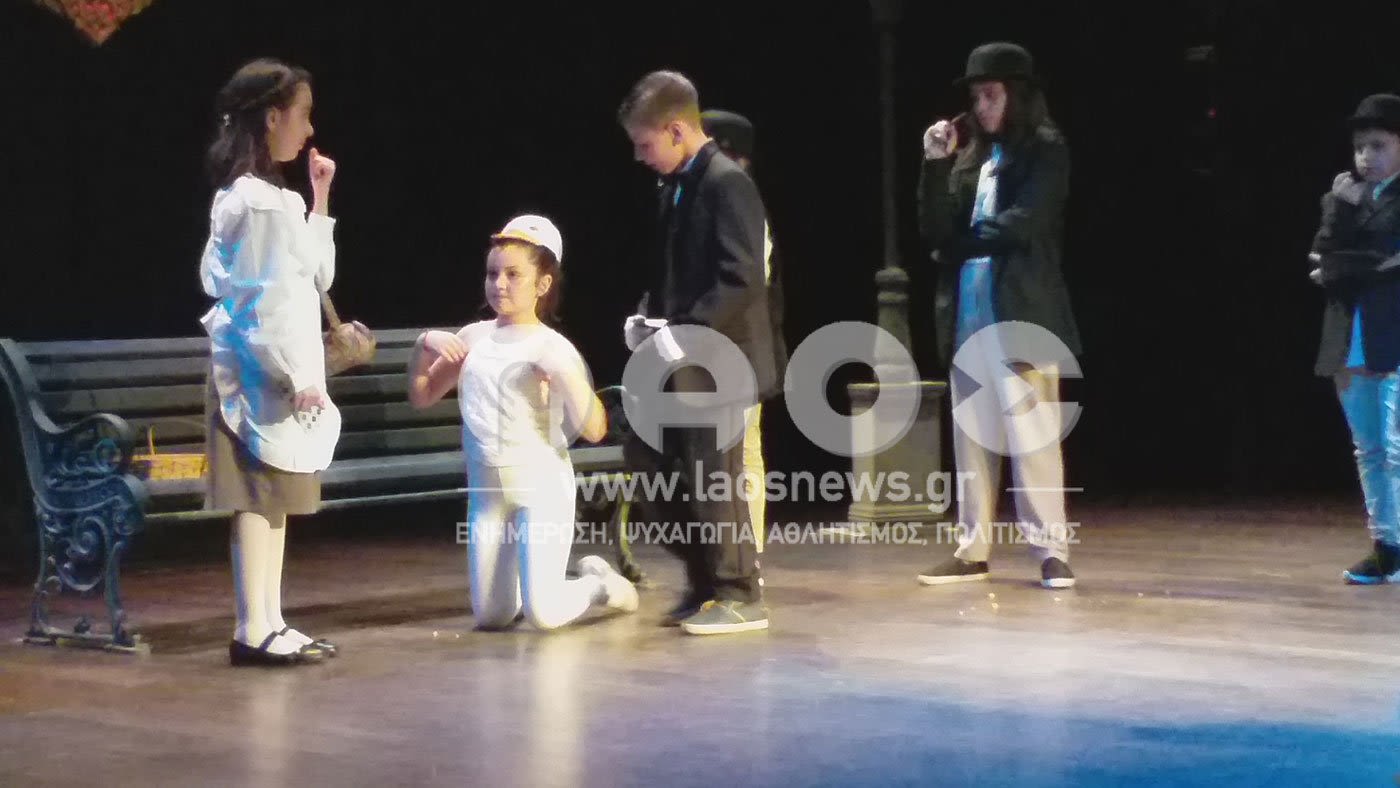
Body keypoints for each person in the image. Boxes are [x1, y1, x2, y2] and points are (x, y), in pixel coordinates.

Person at [408, 215, 639, 629]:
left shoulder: (553, 346)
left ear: (542, 284)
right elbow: (422, 395)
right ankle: (534, 587)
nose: (499, 284)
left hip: (542, 489)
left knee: (543, 615)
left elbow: (595, 429)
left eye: (513, 275)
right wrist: (423, 345)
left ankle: (599, 584)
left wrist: (564, 377)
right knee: (492, 616)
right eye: (493, 273)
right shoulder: (474, 338)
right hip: (488, 497)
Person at [914, 42, 1082, 589]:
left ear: (1018, 95)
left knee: (1033, 434)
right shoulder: (972, 157)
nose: (981, 106)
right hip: (969, 310)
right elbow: (934, 228)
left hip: (1022, 312)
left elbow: (1023, 223)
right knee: (971, 435)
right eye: (976, 96)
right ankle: (972, 549)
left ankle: (1051, 550)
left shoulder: (1046, 150)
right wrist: (935, 163)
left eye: (991, 95)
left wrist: (957, 245)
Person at [618, 71, 779, 634]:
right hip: (683, 359)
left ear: (677, 130)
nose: (640, 156)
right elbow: (673, 275)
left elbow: (742, 279)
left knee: (715, 479)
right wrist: (648, 319)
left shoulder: (726, 183)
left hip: (721, 359)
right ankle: (705, 581)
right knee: (654, 467)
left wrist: (682, 332)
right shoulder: (676, 185)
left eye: (645, 143)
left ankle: (740, 592)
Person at [200, 58, 340, 666]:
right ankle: (251, 626)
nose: (308, 130)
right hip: (259, 371)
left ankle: (269, 619)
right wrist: (297, 375)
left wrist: (320, 197)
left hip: (275, 369)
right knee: (257, 495)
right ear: (273, 116)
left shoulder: (276, 200)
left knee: (275, 494)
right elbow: (261, 305)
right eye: (302, 115)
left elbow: (318, 275)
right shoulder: (253, 203)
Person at [1308, 93, 1400, 584]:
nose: (1367, 156)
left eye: (1379, 145)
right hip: (1351, 335)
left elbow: (1384, 257)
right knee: (1369, 450)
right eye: (1360, 147)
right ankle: (1386, 547)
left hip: (1394, 333)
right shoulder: (1341, 197)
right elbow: (1322, 255)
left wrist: (1344, 266)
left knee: (1398, 447)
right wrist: (1343, 217)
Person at [699, 109, 788, 554]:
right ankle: (732, 557)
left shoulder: (741, 205)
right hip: (723, 347)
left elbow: (749, 283)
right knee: (729, 455)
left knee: (739, 455)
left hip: (739, 347)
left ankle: (743, 558)